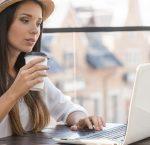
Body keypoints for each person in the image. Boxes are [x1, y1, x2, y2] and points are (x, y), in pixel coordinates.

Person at [0, 0, 105, 138]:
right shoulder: (24, 77)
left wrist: (81, 120)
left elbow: (66, 108)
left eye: (38, 23)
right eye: (25, 20)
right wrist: (14, 92)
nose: (35, 30)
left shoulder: (29, 71)